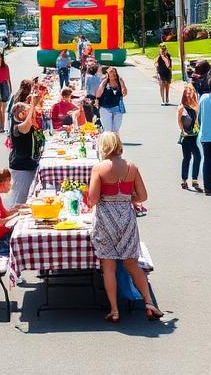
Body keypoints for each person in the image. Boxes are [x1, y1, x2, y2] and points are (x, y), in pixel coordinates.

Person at [87, 132, 163, 323]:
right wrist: (126, 198)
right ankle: (149, 302)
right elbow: (143, 196)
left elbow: (93, 200)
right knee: (131, 262)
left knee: (109, 265)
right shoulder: (131, 167)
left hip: (105, 217)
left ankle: (114, 310)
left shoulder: (99, 168)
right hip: (126, 216)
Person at [8, 101, 44, 206]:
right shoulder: (16, 127)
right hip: (21, 168)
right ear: (21, 115)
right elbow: (26, 126)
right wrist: (32, 106)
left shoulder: (27, 123)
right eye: (29, 113)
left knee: (29, 196)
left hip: (30, 164)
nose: (33, 115)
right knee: (19, 199)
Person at [177, 84, 202, 192]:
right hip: (186, 136)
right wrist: (182, 131)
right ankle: (184, 180)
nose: (190, 95)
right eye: (188, 93)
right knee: (187, 157)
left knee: (197, 156)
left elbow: (197, 120)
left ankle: (195, 179)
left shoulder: (196, 105)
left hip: (195, 134)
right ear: (184, 94)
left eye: (191, 92)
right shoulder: (181, 107)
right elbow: (179, 120)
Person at [95, 67, 127, 134]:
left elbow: (124, 92)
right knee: (108, 129)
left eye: (114, 72)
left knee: (116, 129)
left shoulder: (119, 80)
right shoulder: (104, 81)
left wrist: (123, 88)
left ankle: (115, 142)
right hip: (105, 107)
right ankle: (108, 143)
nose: (113, 73)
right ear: (107, 74)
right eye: (111, 72)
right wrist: (104, 82)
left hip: (117, 107)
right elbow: (98, 94)